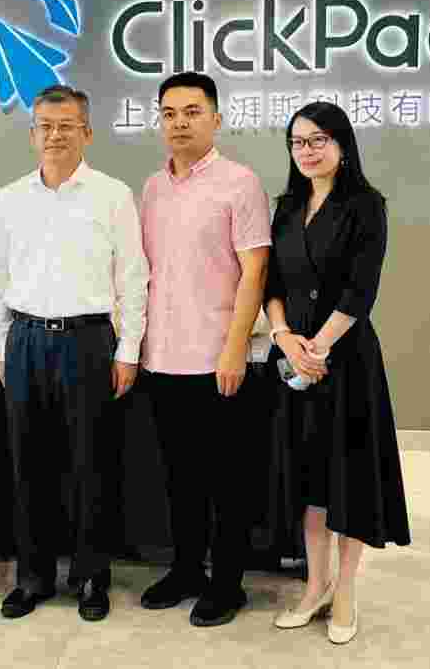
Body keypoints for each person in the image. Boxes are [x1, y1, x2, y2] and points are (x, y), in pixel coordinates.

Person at [0, 84, 149, 622]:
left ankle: (91, 576)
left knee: (91, 464)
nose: (55, 135)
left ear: (87, 133)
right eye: (45, 126)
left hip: (89, 340)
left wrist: (128, 350)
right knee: (28, 464)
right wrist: (3, 346)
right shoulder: (11, 198)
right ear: (32, 134)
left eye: (66, 126)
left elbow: (132, 276)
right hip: (25, 340)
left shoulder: (113, 195)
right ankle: (32, 577)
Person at [266, 101, 410, 644]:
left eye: (317, 140)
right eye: (298, 142)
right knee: (309, 481)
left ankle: (345, 590)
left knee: (349, 480)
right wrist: (285, 338)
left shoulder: (366, 206)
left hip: (346, 362)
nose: (306, 151)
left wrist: (319, 348)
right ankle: (315, 586)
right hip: (294, 359)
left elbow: (360, 290)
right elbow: (272, 286)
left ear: (342, 144)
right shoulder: (286, 208)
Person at [139, 71, 271, 627]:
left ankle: (228, 583)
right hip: (163, 356)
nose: (180, 123)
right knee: (180, 477)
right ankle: (187, 569)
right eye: (169, 113)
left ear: (216, 119)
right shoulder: (152, 188)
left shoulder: (240, 183)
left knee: (227, 481)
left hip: (220, 359)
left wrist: (235, 349)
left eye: (192, 112)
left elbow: (255, 270)